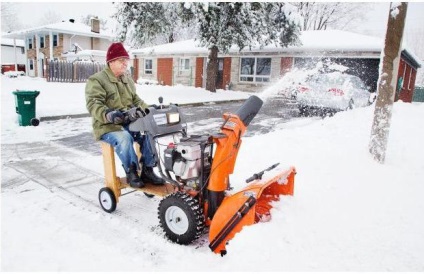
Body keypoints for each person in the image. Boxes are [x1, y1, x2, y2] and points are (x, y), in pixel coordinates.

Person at [85, 42, 164, 188]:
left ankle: (147, 170)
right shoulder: (97, 80)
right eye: (122, 60)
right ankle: (131, 171)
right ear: (111, 62)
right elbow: (93, 104)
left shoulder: (127, 80)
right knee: (124, 138)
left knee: (148, 132)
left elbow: (136, 100)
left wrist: (149, 109)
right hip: (107, 126)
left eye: (126, 60)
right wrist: (108, 114)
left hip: (128, 121)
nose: (125, 64)